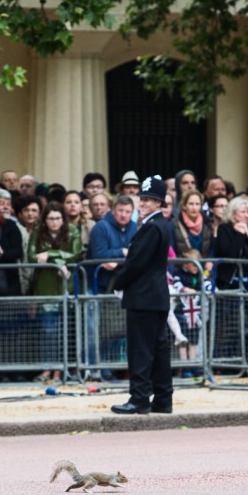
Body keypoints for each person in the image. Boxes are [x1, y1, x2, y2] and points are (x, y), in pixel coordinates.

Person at [110, 176, 174, 415]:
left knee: (141, 350)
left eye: (150, 200)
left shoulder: (152, 227)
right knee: (158, 349)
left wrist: (119, 282)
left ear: (159, 204)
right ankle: (163, 398)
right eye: (143, 198)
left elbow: (135, 263)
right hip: (155, 296)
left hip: (143, 297)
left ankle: (139, 398)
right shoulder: (160, 225)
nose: (144, 203)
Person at [28, 202, 82, 382]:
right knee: (47, 332)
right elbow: (31, 256)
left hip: (65, 287)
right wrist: (58, 258)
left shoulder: (72, 230)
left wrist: (50, 256)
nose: (54, 222)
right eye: (50, 219)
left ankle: (60, 370)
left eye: (58, 218)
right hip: (45, 287)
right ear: (44, 220)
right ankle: (46, 369)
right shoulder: (37, 232)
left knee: (64, 332)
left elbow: (75, 254)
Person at [86, 195, 137, 294]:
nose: (123, 215)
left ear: (132, 213)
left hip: (125, 285)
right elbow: (98, 255)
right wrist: (121, 252)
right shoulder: (101, 227)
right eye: (120, 210)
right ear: (113, 210)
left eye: (127, 212)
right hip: (98, 285)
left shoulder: (135, 228)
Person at [174, 188, 210, 259]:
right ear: (184, 206)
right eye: (191, 204)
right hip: (183, 268)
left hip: (204, 267)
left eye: (197, 204)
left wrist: (209, 261)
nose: (194, 207)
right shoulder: (174, 224)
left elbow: (212, 249)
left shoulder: (208, 223)